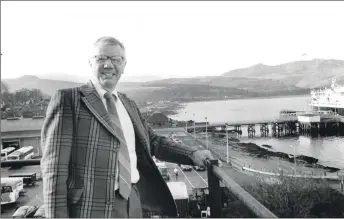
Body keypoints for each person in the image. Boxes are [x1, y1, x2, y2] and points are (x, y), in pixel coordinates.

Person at [40, 36, 214, 218]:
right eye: (101, 58)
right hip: (89, 209)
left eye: (116, 59)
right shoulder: (68, 100)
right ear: (90, 63)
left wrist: (192, 154)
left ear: (124, 65)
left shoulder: (128, 104)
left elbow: (154, 142)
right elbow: (54, 170)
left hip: (133, 202)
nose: (108, 65)